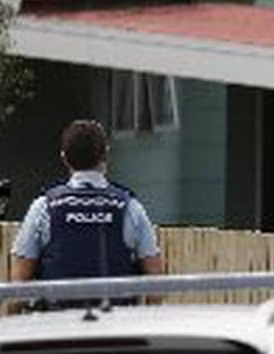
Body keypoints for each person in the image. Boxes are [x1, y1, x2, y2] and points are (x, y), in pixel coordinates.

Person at [10, 119, 164, 289]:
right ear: (105, 155)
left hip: (57, 306)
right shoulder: (130, 208)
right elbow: (156, 283)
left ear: (64, 158)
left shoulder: (44, 208)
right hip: (115, 306)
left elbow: (19, 284)